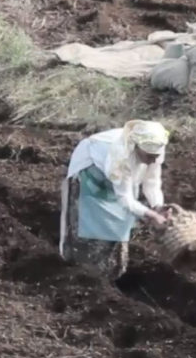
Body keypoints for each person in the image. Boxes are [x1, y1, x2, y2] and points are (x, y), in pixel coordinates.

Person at [60, 120, 171, 281]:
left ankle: (112, 271)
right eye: (149, 156)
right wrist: (150, 214)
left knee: (121, 222)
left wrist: (158, 206)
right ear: (137, 147)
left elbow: (152, 183)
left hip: (120, 179)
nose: (153, 161)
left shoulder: (156, 150)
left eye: (156, 156)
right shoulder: (119, 156)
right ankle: (78, 269)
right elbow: (125, 198)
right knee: (87, 225)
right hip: (92, 173)